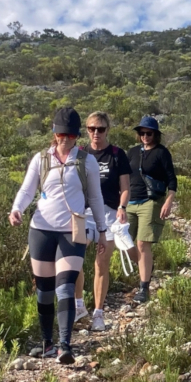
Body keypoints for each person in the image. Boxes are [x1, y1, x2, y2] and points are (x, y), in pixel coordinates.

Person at [9, 107, 107, 364]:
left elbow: (96, 197)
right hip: (41, 230)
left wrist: (102, 230)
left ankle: (65, 345)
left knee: (65, 286)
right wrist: (17, 209)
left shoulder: (87, 162)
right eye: (62, 134)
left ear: (77, 136)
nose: (65, 139)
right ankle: (47, 344)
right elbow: (27, 190)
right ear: (54, 133)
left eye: (70, 135)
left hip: (71, 232)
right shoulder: (41, 159)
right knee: (44, 290)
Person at [73, 112, 132, 331]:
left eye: (100, 129)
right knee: (74, 259)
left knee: (101, 263)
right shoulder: (80, 154)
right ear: (86, 130)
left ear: (107, 130)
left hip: (108, 215)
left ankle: (98, 313)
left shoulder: (117, 154)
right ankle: (79, 306)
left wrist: (122, 207)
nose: (96, 133)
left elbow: (125, 187)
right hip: (84, 213)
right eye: (91, 129)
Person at [126, 116, 177, 303]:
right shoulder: (132, 152)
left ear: (155, 134)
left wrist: (168, 201)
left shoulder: (162, 153)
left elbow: (171, 179)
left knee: (142, 244)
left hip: (150, 201)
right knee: (123, 241)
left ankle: (143, 287)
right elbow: (123, 176)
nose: (145, 136)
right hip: (130, 202)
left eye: (149, 133)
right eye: (142, 133)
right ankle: (146, 264)